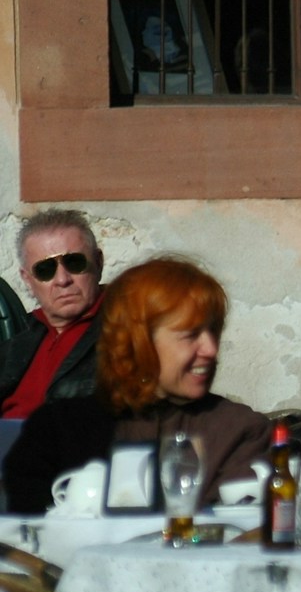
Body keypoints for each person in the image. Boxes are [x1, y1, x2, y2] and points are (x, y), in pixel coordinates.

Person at [3, 256, 274, 514]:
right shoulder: (59, 430)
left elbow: (239, 537)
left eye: (213, 331)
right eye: (190, 335)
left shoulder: (237, 430)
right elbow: (23, 539)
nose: (211, 349)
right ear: (137, 342)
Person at [0, 209, 106, 419]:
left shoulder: (128, 329)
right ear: (28, 279)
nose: (62, 280)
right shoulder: (21, 338)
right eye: (45, 269)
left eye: (74, 262)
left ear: (99, 262)